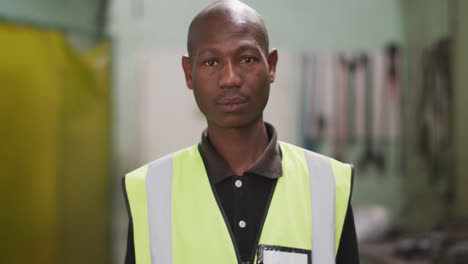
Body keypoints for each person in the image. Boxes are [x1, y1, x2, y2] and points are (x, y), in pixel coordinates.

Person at [123, 1, 359, 263]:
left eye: (246, 59)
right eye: (211, 62)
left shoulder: (328, 183)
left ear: (272, 66)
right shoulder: (150, 189)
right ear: (189, 73)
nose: (230, 78)